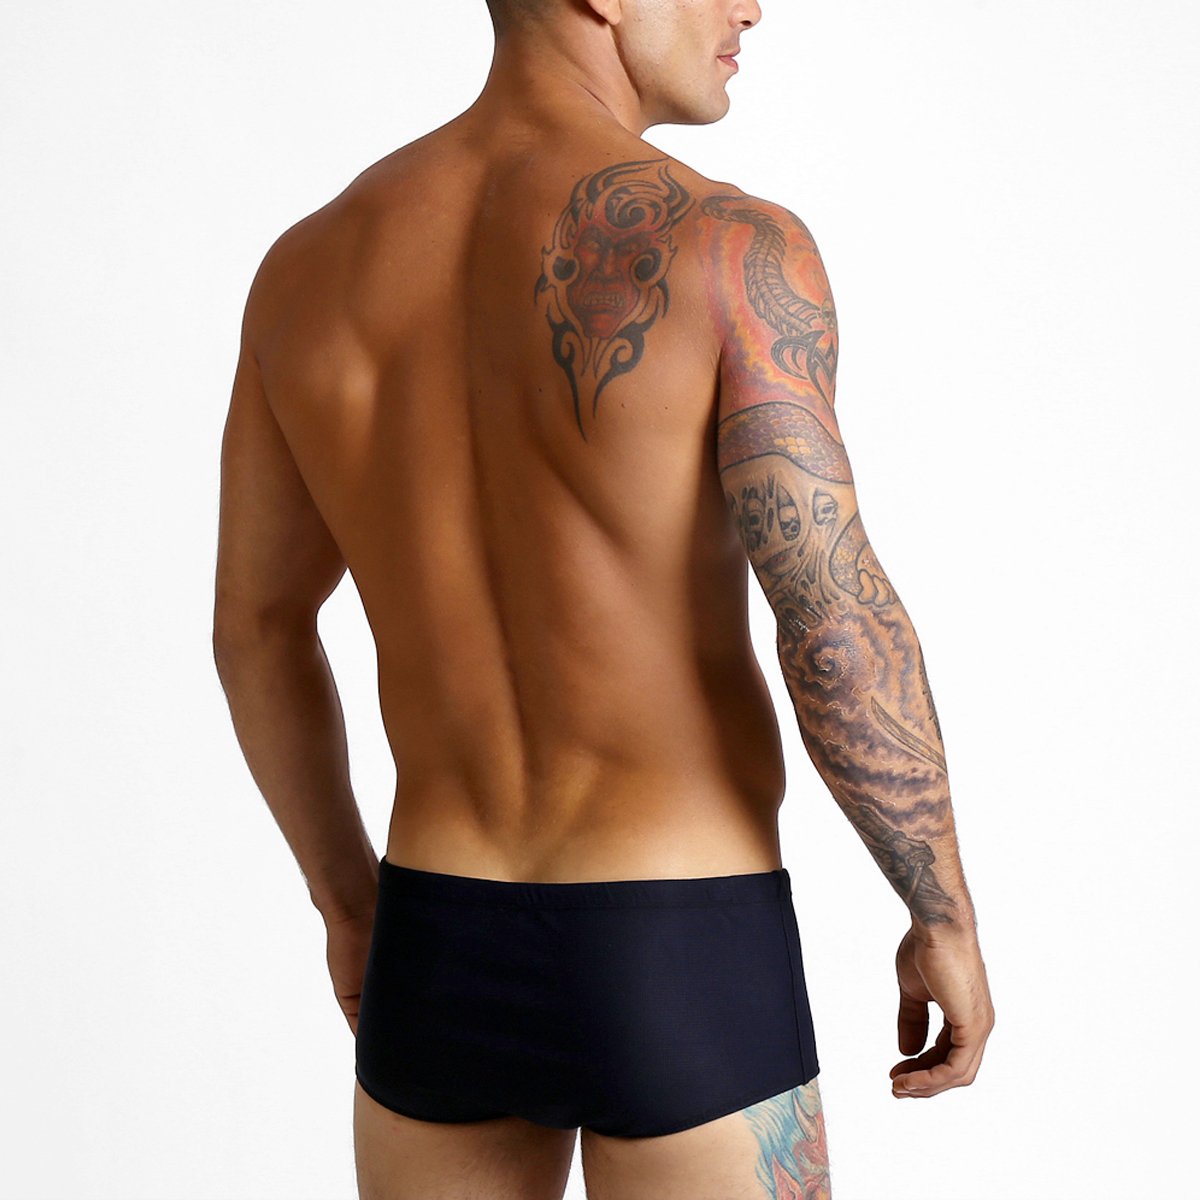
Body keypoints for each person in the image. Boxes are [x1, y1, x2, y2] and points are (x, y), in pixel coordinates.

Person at [212, 1, 994, 1196]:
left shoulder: (307, 269)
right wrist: (941, 909)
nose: (750, 6)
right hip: (679, 945)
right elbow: (832, 620)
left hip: (436, 937)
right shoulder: (730, 248)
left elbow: (257, 630)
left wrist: (349, 905)